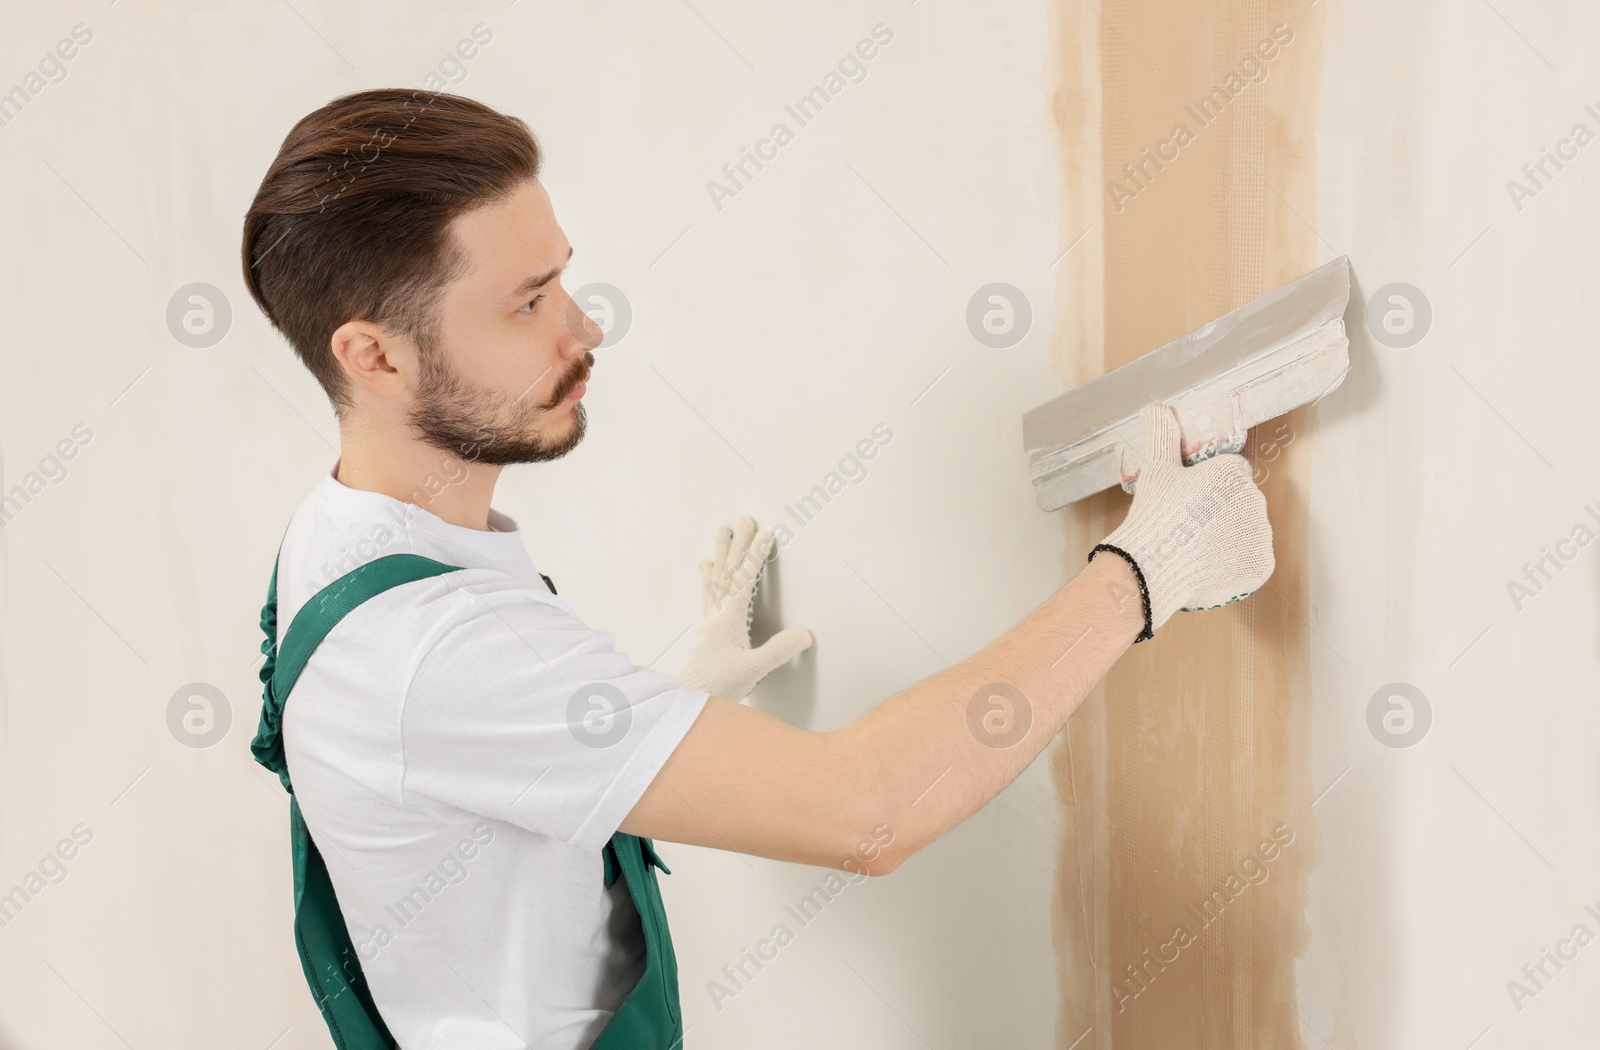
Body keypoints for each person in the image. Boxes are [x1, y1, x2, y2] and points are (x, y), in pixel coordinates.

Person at [241, 88, 1274, 1050]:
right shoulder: (432, 647)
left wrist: (660, 703)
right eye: (527, 303)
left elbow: (463, 760)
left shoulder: (344, 540)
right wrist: (1141, 571)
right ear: (373, 357)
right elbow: (867, 810)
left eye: (564, 278)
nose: (585, 327)